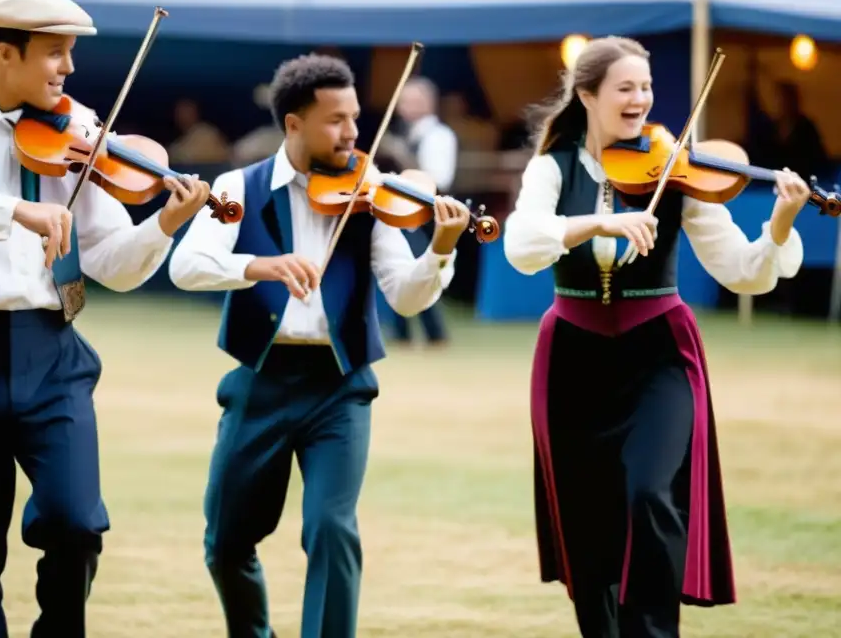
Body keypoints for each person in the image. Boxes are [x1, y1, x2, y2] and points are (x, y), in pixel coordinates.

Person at [0, 0, 212, 638]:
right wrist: (17, 210)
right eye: (55, 54)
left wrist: (163, 227)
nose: (67, 69)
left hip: (54, 357)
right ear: (5, 54)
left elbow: (112, 262)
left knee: (75, 521)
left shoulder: (76, 137)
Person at [503, 36, 808, 638]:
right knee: (587, 523)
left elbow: (742, 270)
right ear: (588, 96)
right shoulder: (550, 169)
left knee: (650, 493)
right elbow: (521, 246)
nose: (641, 98)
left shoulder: (676, 167)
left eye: (646, 87)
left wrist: (779, 223)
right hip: (573, 355)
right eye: (626, 87)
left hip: (658, 353)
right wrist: (598, 220)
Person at [168, 53, 471, 638]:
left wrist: (441, 249)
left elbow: (406, 297)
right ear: (293, 124)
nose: (354, 133)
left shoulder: (375, 193)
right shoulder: (239, 187)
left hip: (340, 388)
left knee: (332, 529)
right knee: (226, 540)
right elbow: (186, 265)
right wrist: (260, 266)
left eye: (356, 118)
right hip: (260, 380)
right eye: (336, 120)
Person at [390, 76, 459, 346]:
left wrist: (401, 161)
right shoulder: (406, 133)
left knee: (420, 271)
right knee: (401, 269)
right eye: (403, 101)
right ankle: (403, 333)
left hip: (427, 214)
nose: (405, 106)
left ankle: (434, 334)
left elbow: (438, 179)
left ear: (428, 103)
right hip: (402, 212)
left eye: (412, 100)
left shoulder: (438, 136)